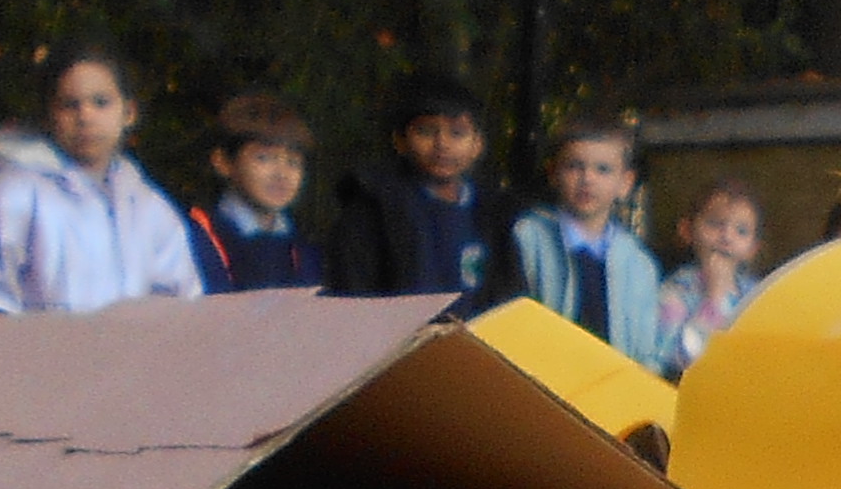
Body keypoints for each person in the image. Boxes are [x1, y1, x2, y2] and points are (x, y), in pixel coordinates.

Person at [0, 37, 200, 312]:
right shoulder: (8, 198)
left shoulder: (152, 210)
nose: (85, 116)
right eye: (69, 104)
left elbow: (179, 307)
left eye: (101, 102)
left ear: (129, 112)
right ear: (48, 115)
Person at [322, 71, 520, 312]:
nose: (442, 144)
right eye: (426, 132)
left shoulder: (495, 215)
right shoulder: (372, 210)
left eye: (457, 133)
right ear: (400, 141)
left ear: (477, 144)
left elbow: (510, 300)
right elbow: (353, 299)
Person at [509, 116, 671, 362]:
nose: (587, 179)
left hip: (612, 378)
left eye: (603, 169)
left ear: (625, 183)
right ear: (553, 173)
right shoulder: (528, 237)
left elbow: (645, 348)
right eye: (574, 166)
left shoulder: (639, 265)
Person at [186, 93, 326, 292]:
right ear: (223, 162)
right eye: (264, 158)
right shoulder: (198, 238)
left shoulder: (301, 252)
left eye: (293, 163)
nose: (281, 174)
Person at [660, 177, 766, 367]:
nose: (727, 237)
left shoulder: (758, 295)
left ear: (753, 248)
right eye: (715, 224)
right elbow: (674, 358)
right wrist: (714, 298)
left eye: (741, 231)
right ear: (687, 230)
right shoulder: (675, 291)